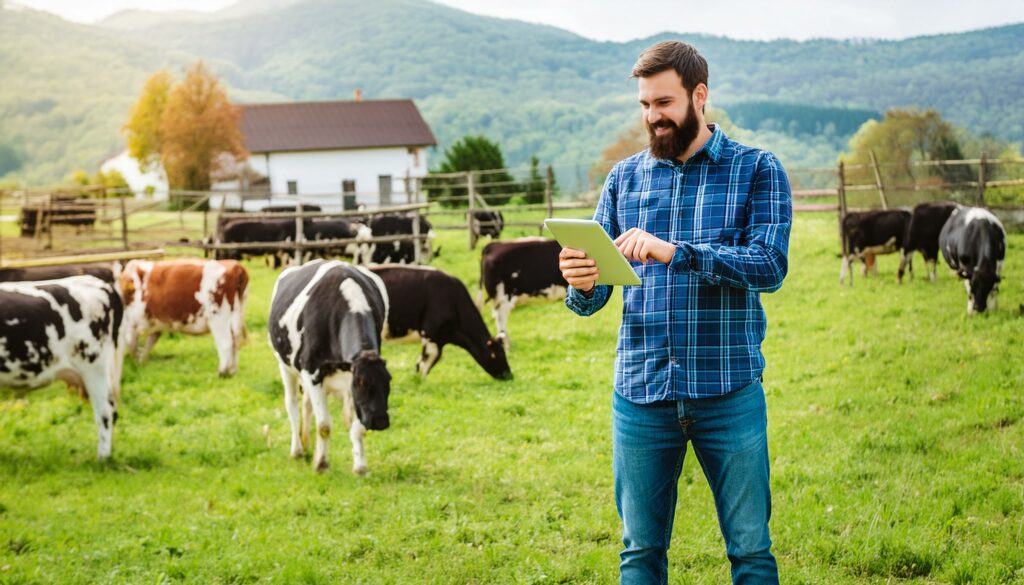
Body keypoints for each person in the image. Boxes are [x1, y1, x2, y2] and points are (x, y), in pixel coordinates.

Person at [559, 41, 792, 584]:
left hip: (728, 390)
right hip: (640, 394)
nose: (652, 117)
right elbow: (593, 300)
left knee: (751, 552)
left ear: (699, 95)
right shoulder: (624, 179)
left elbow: (769, 266)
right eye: (644, 105)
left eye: (663, 102)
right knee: (639, 554)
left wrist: (676, 252)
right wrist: (581, 282)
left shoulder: (756, 169)